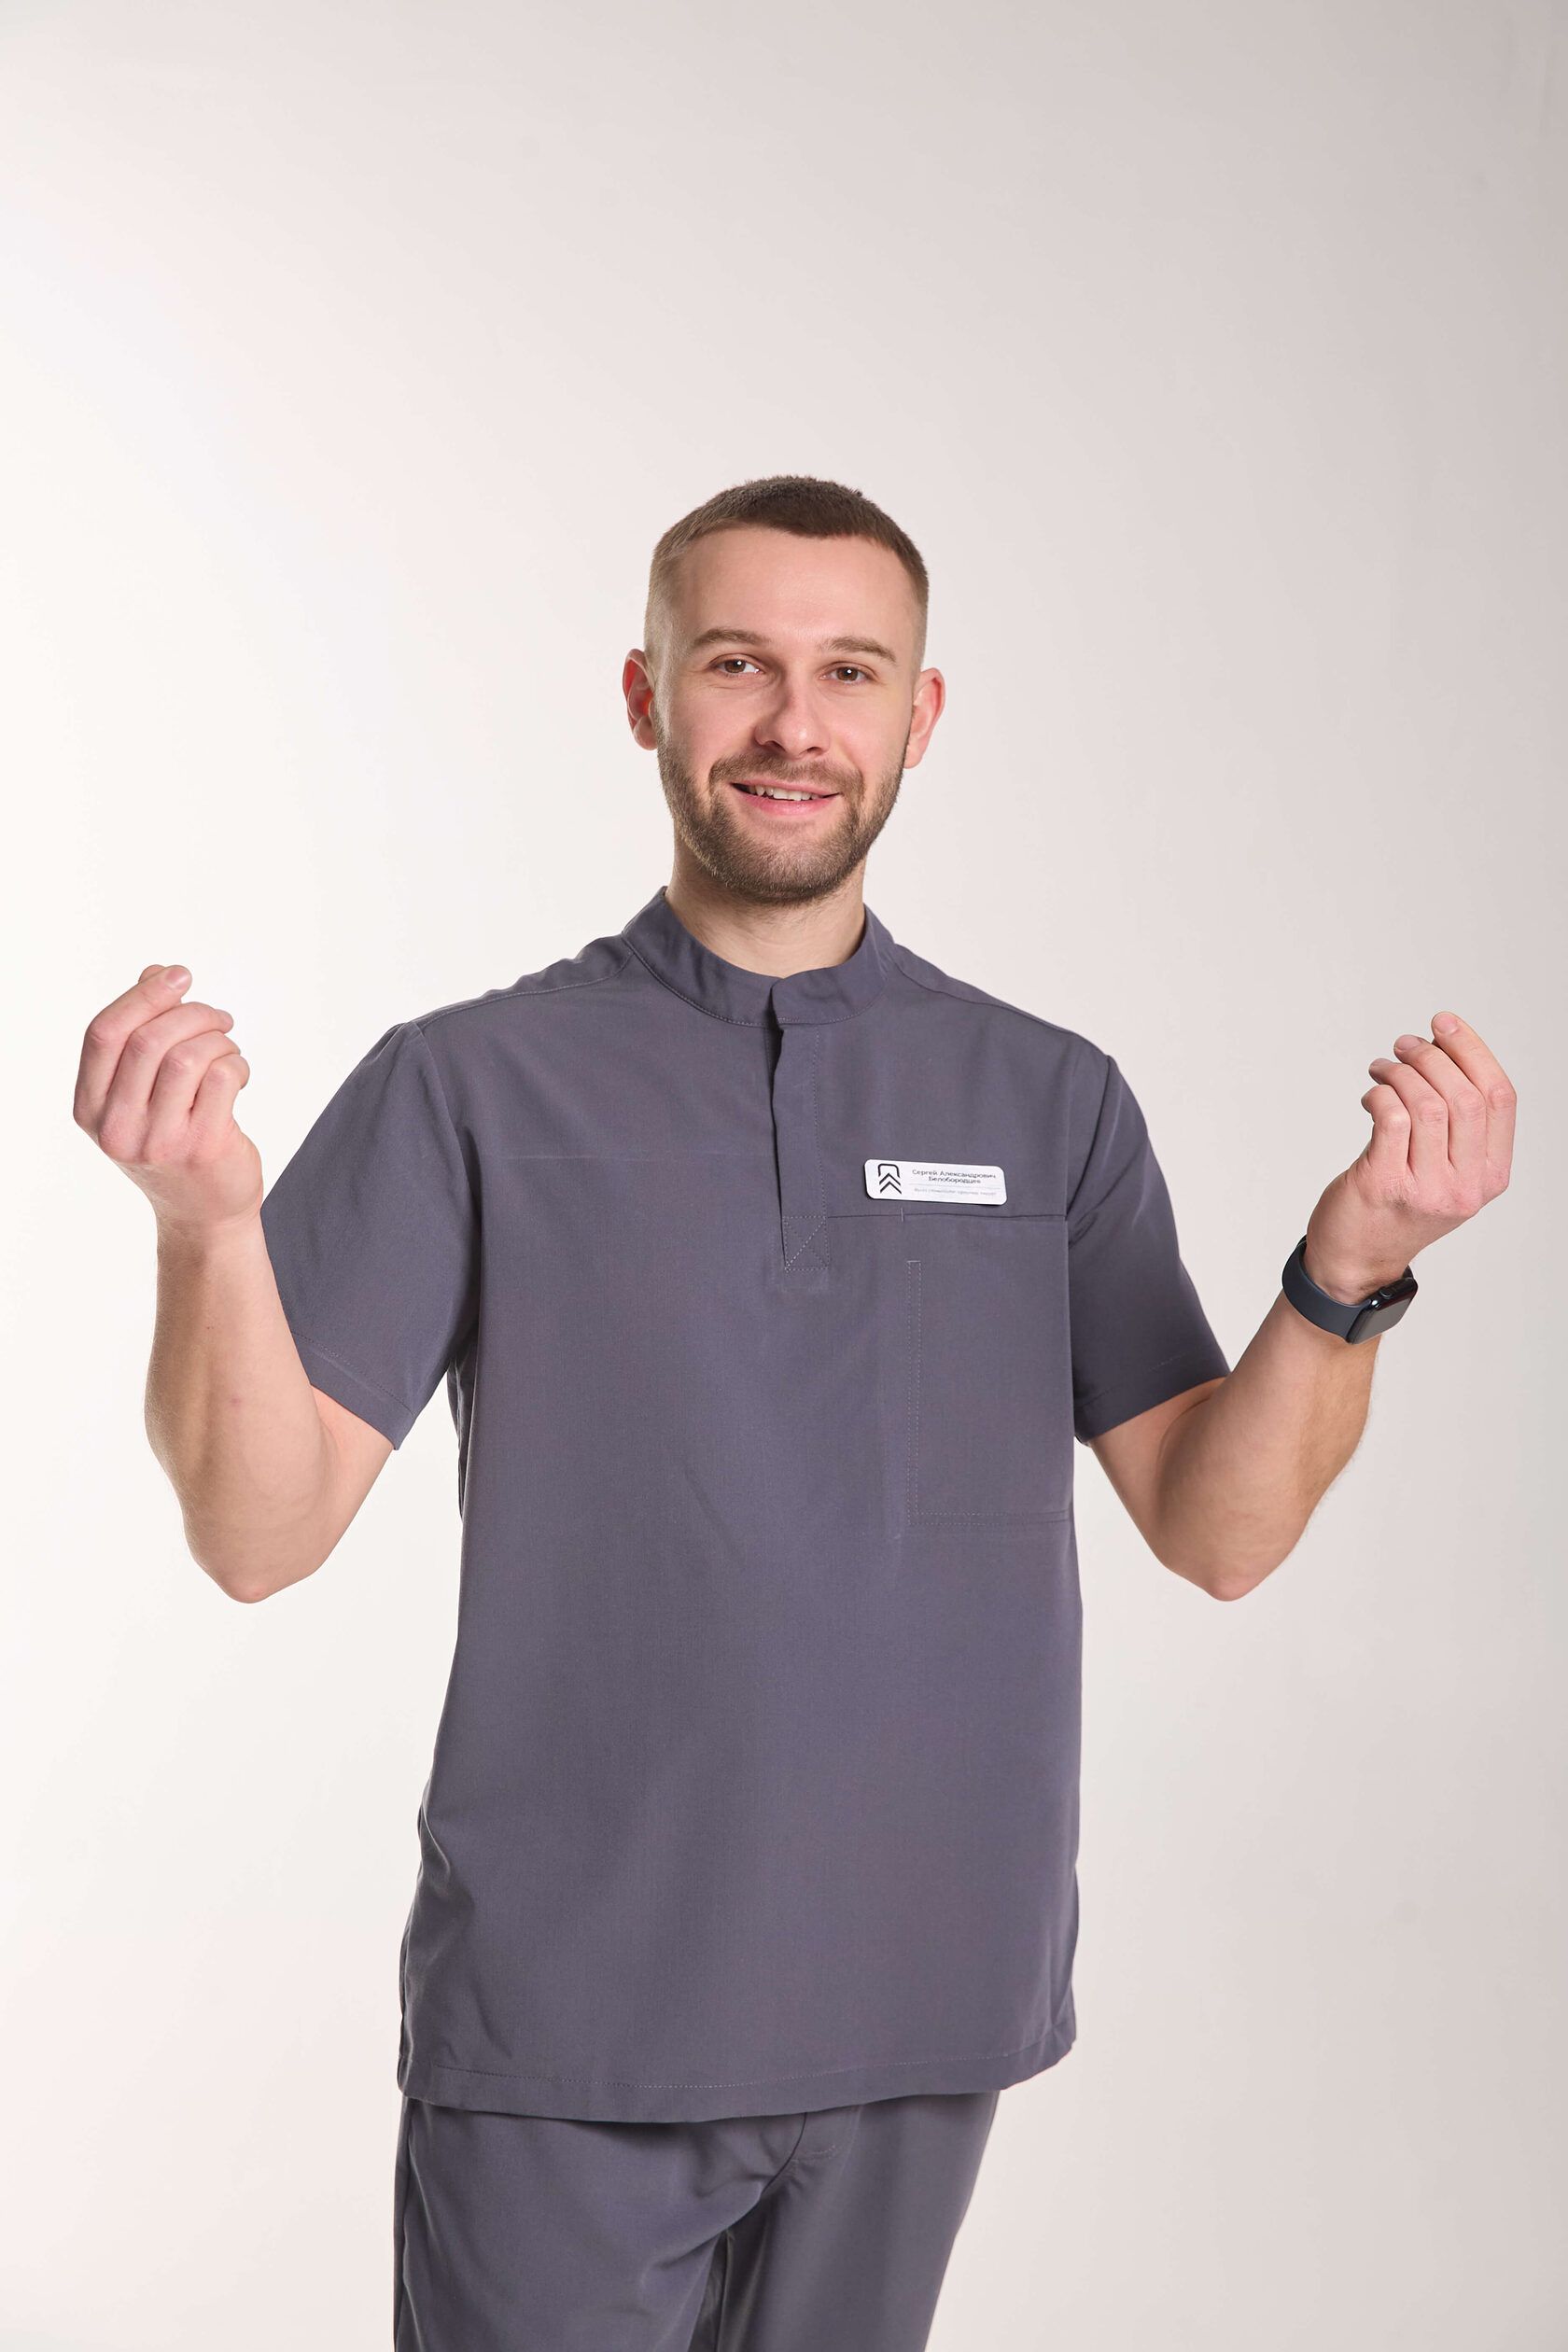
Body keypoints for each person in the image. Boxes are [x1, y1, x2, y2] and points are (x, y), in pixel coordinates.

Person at [73, 476, 1516, 2351]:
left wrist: (1348, 1272)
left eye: (850, 672)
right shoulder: (470, 1087)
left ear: (921, 715)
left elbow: (1218, 1529)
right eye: (736, 664)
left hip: (926, 2009)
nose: (792, 723)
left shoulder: (1048, 1100)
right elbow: (258, 1534)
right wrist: (205, 1229)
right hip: (575, 2029)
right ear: (645, 695)